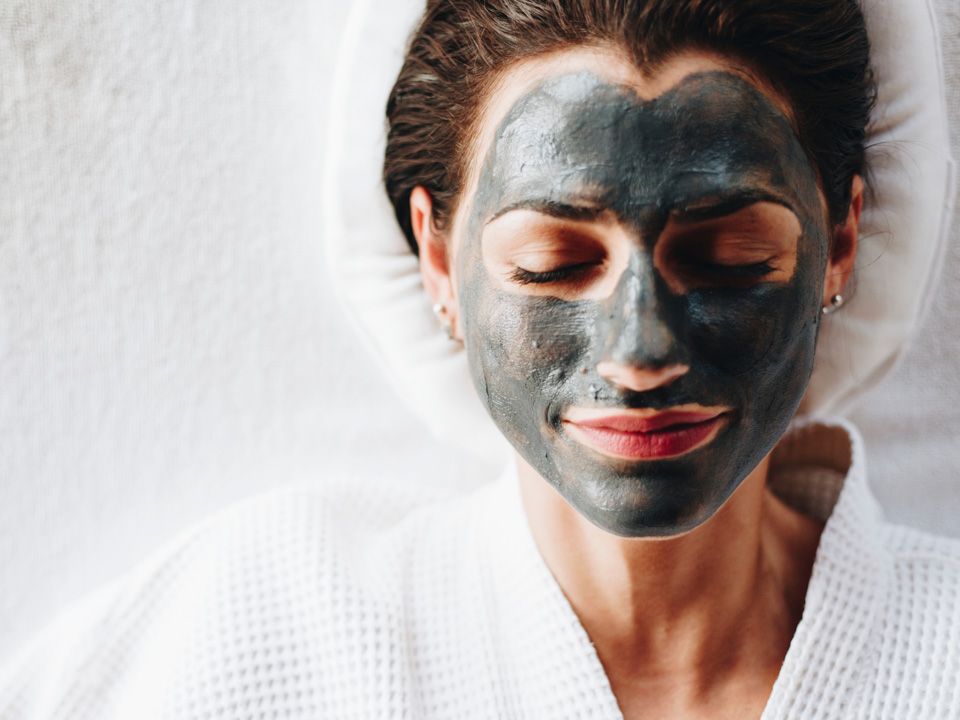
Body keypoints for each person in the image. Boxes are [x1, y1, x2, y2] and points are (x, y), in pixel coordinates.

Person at [2, 1, 958, 719]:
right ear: (437, 259)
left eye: (728, 260)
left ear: (840, 240)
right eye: (552, 264)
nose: (640, 355)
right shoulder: (268, 623)